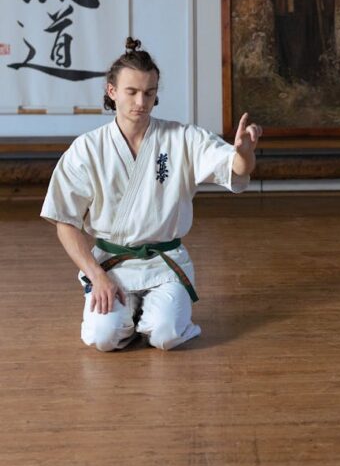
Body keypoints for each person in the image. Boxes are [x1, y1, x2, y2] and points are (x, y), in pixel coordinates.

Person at [41, 38, 262, 352]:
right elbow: (65, 220)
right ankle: (127, 317)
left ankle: (151, 317)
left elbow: (235, 169)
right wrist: (96, 276)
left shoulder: (182, 138)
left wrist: (244, 152)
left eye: (149, 92)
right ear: (111, 91)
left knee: (166, 335)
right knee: (104, 338)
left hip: (164, 263)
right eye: (131, 92)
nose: (140, 102)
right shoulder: (87, 149)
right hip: (111, 264)